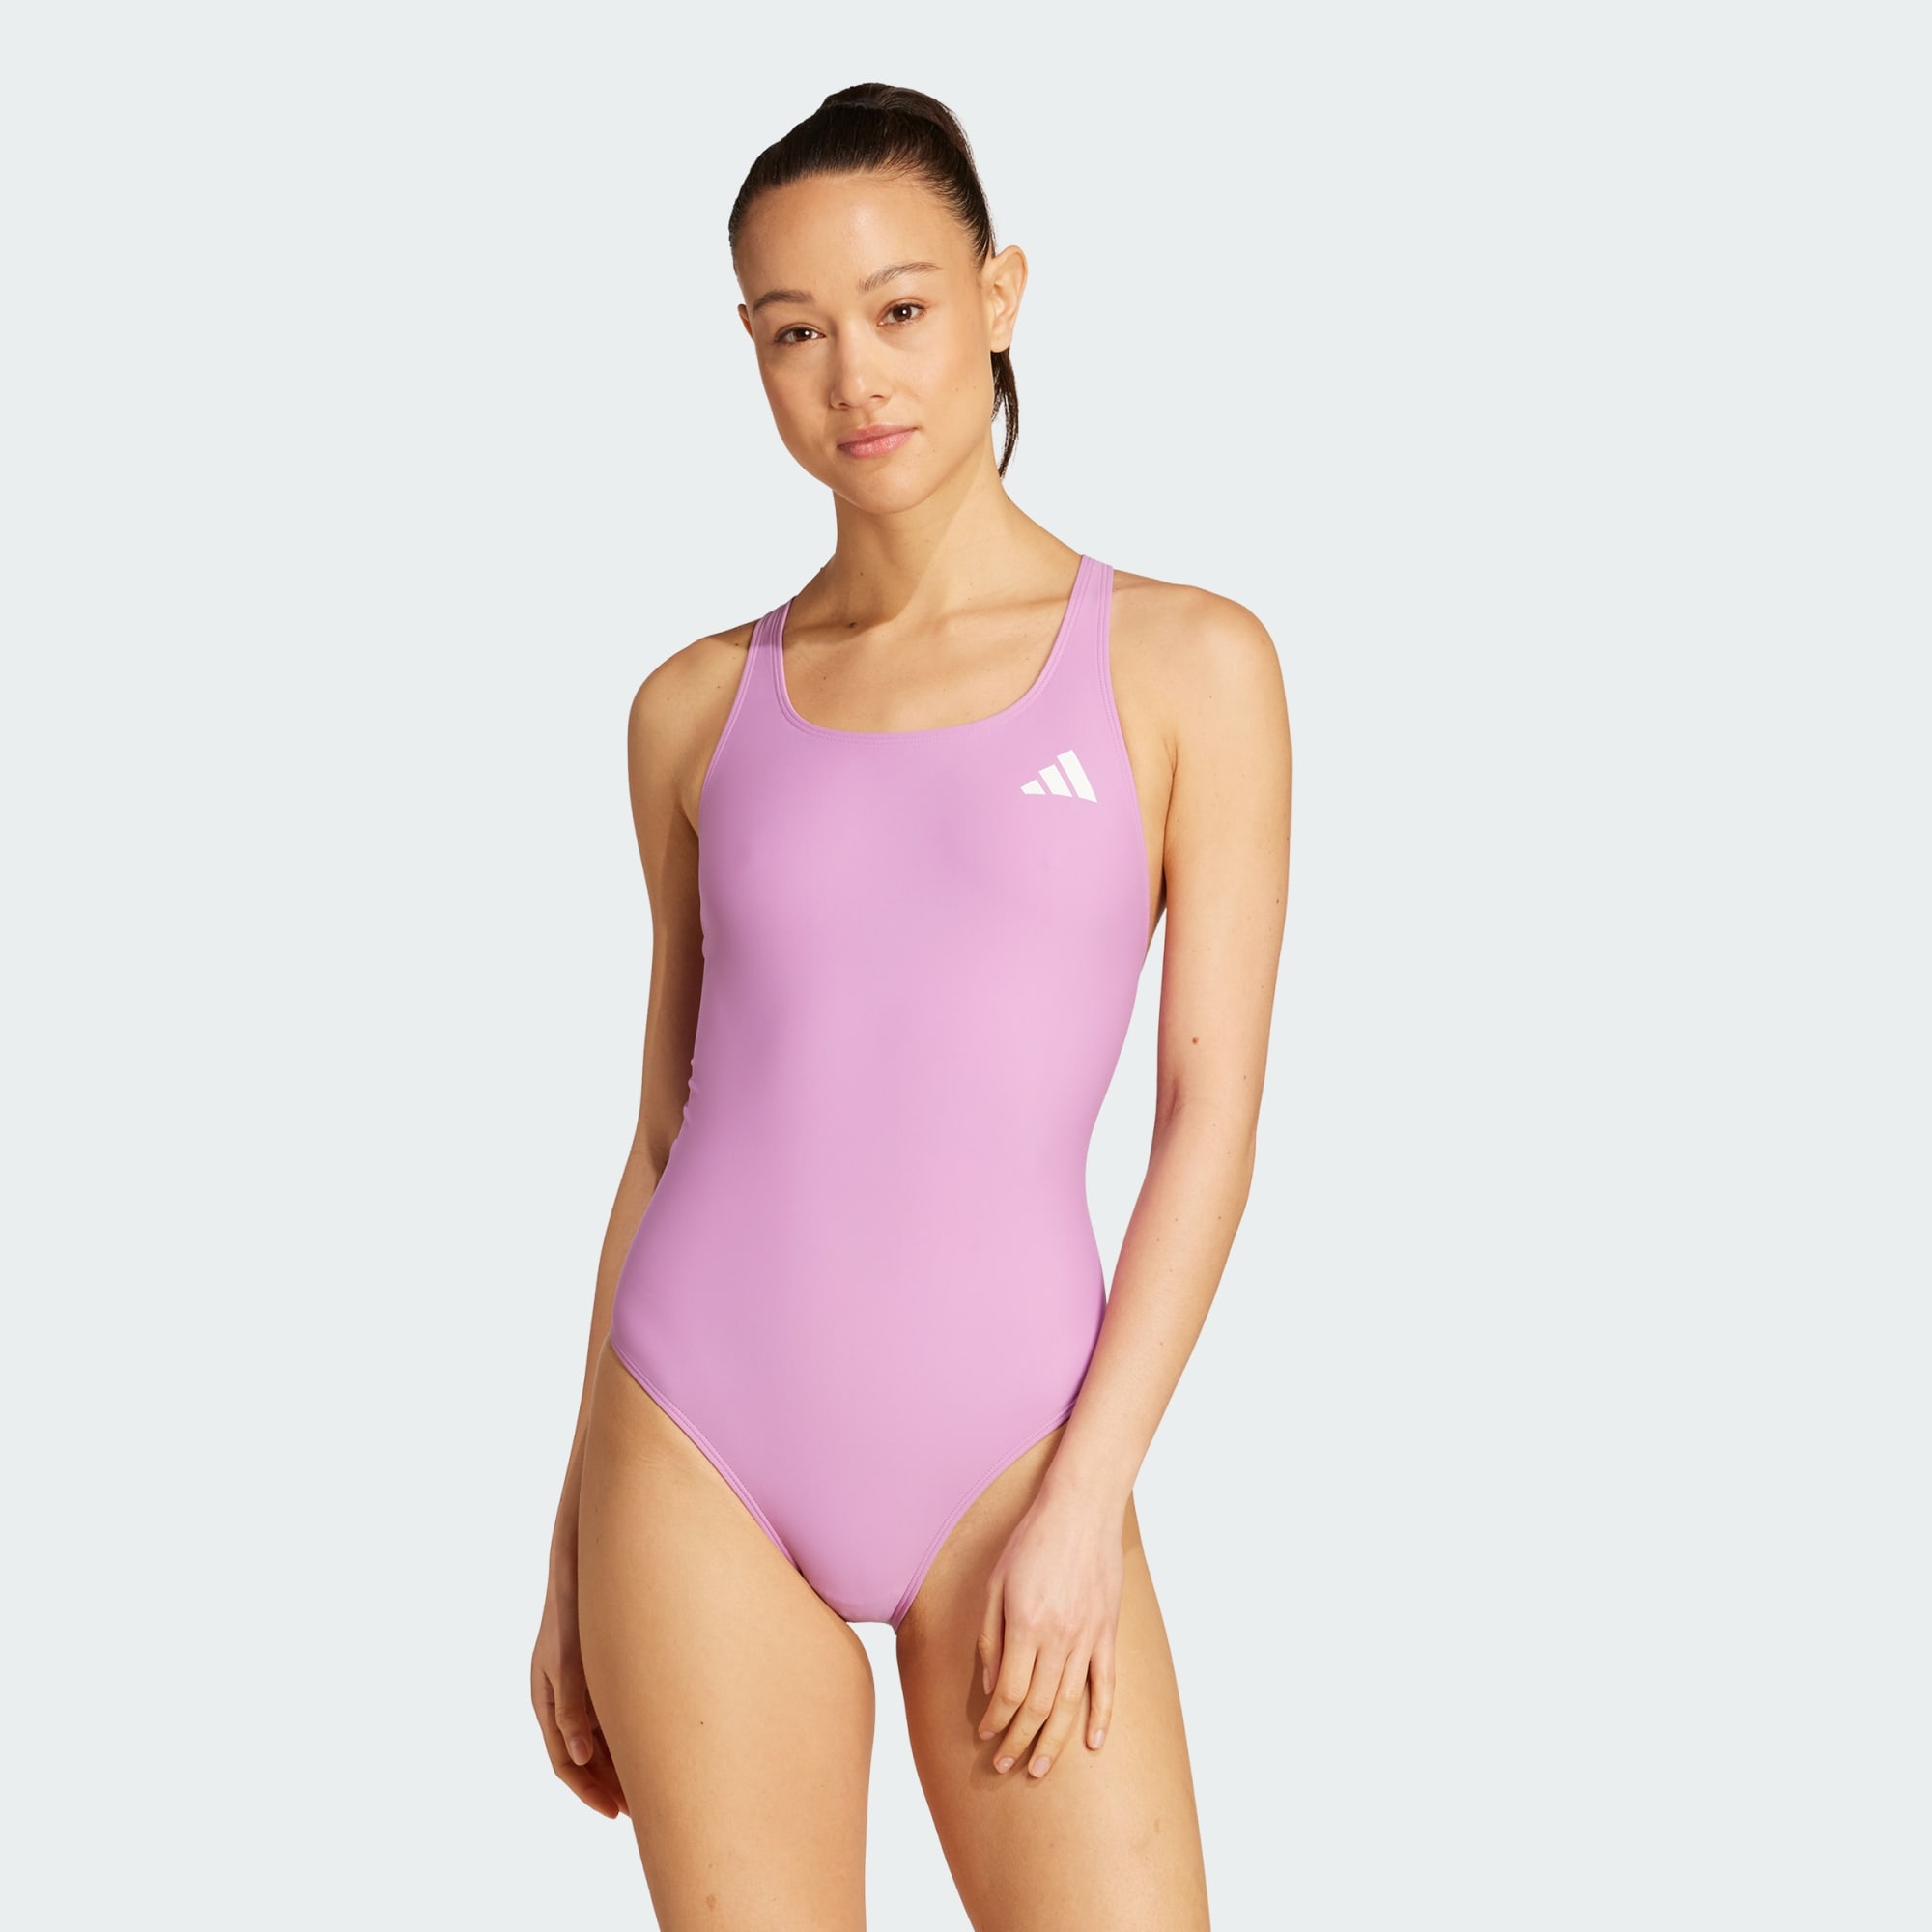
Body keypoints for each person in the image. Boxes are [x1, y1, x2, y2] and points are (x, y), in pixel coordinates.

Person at [530, 81, 1292, 1928]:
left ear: (999, 295)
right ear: (750, 349)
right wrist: (573, 1539)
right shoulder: (694, 709)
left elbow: (1209, 1121)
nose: (855, 377)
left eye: (900, 309)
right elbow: (668, 1129)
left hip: (1017, 1451)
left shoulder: (1187, 665)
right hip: (691, 1446)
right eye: (795, 333)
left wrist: (1087, 1501)